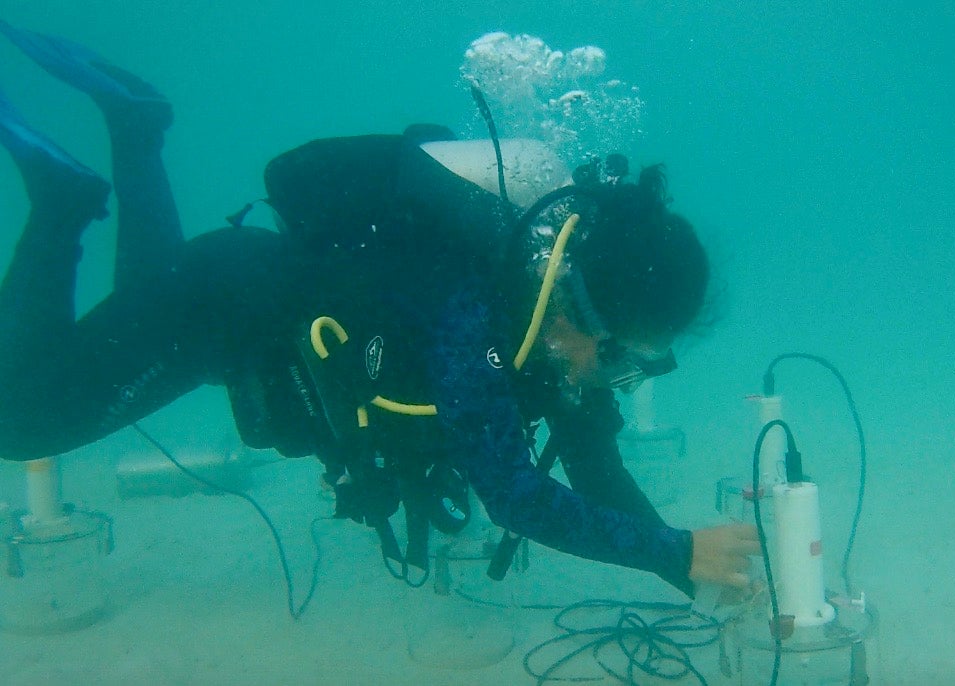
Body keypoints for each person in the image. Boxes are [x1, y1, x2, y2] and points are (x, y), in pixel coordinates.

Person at [0, 23, 759, 596]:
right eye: (618, 352)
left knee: (138, 289)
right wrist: (675, 552)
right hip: (225, 306)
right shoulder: (468, 307)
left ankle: (135, 131)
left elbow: (593, 463)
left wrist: (683, 563)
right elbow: (516, 498)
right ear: (577, 297)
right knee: (23, 421)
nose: (614, 376)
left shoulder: (543, 326)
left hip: (245, 317)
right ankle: (64, 206)